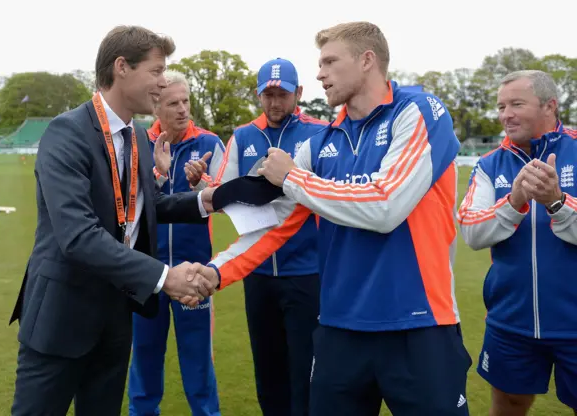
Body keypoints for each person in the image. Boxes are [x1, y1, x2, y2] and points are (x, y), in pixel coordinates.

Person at [189, 21, 471, 415]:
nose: (319, 72)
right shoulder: (320, 143)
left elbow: (385, 205)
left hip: (418, 324)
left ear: (366, 60)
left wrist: (291, 176)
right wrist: (215, 272)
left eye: (329, 61)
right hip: (339, 330)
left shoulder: (419, 111)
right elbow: (276, 225)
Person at [8, 26, 219, 416]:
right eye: (156, 71)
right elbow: (78, 235)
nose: (162, 82)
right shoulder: (66, 132)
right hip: (61, 318)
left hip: (116, 317)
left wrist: (207, 200)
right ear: (122, 67)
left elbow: (147, 205)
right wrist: (164, 277)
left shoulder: (137, 136)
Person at [209, 57, 328, 416]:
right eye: (268, 94)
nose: (275, 103)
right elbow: (221, 192)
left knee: (305, 371)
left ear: (299, 93)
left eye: (282, 94)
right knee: (268, 368)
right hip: (257, 274)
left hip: (307, 273)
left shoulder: (319, 132)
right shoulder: (243, 136)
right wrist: (205, 185)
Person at [458, 69, 577, 416]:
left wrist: (557, 203)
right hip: (511, 323)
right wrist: (514, 202)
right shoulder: (489, 163)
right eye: (500, 106)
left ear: (549, 106)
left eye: (516, 104)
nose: (505, 114)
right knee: (508, 405)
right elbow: (471, 231)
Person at [128, 70, 225, 416]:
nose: (183, 109)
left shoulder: (210, 143)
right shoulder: (137, 142)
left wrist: (203, 184)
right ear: (156, 106)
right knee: (144, 359)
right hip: (147, 272)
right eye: (173, 103)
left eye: (186, 101)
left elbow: (223, 199)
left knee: (199, 365)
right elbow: (130, 202)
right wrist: (159, 174)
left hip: (193, 272)